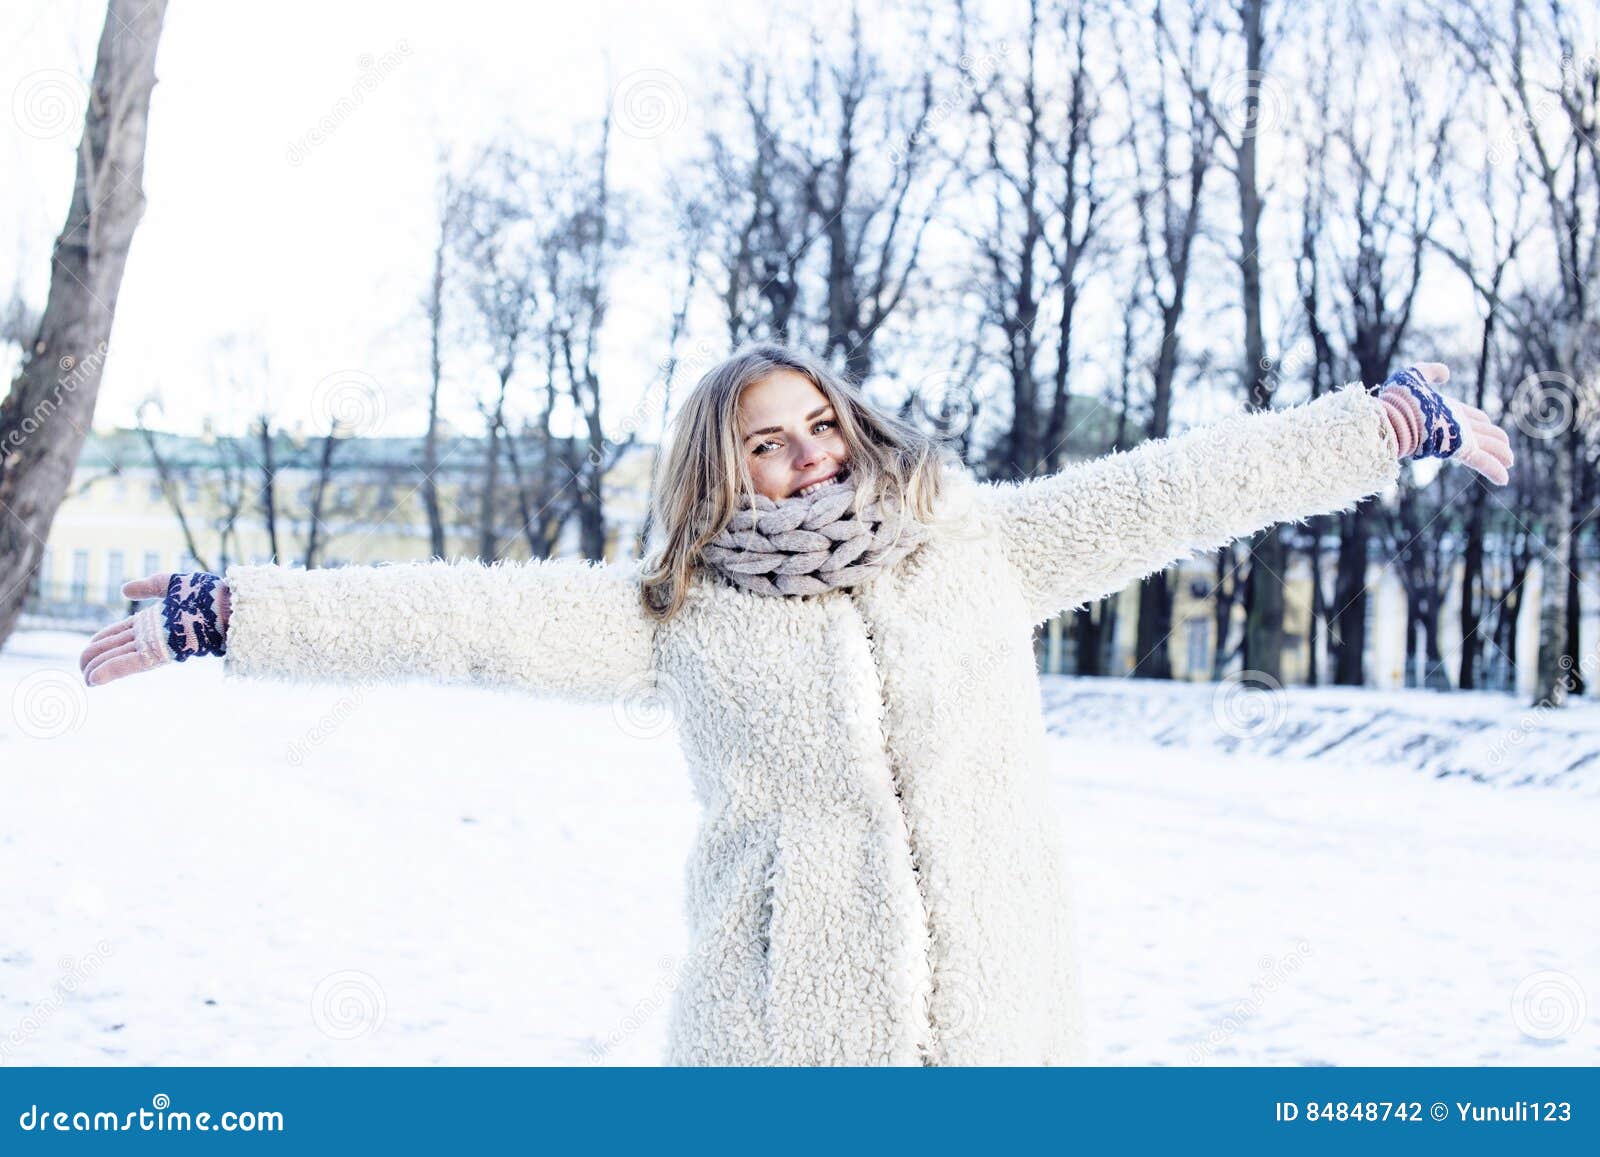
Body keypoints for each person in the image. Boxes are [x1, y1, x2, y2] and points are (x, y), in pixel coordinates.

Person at [77, 345, 1513, 1065]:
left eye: (820, 421)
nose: (810, 454)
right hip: (776, 1046)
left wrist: (1380, 426)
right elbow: (465, 614)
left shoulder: (978, 544)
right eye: (768, 444)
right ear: (723, 470)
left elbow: (1183, 487)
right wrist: (229, 613)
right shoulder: (679, 612)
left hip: (1004, 1033)